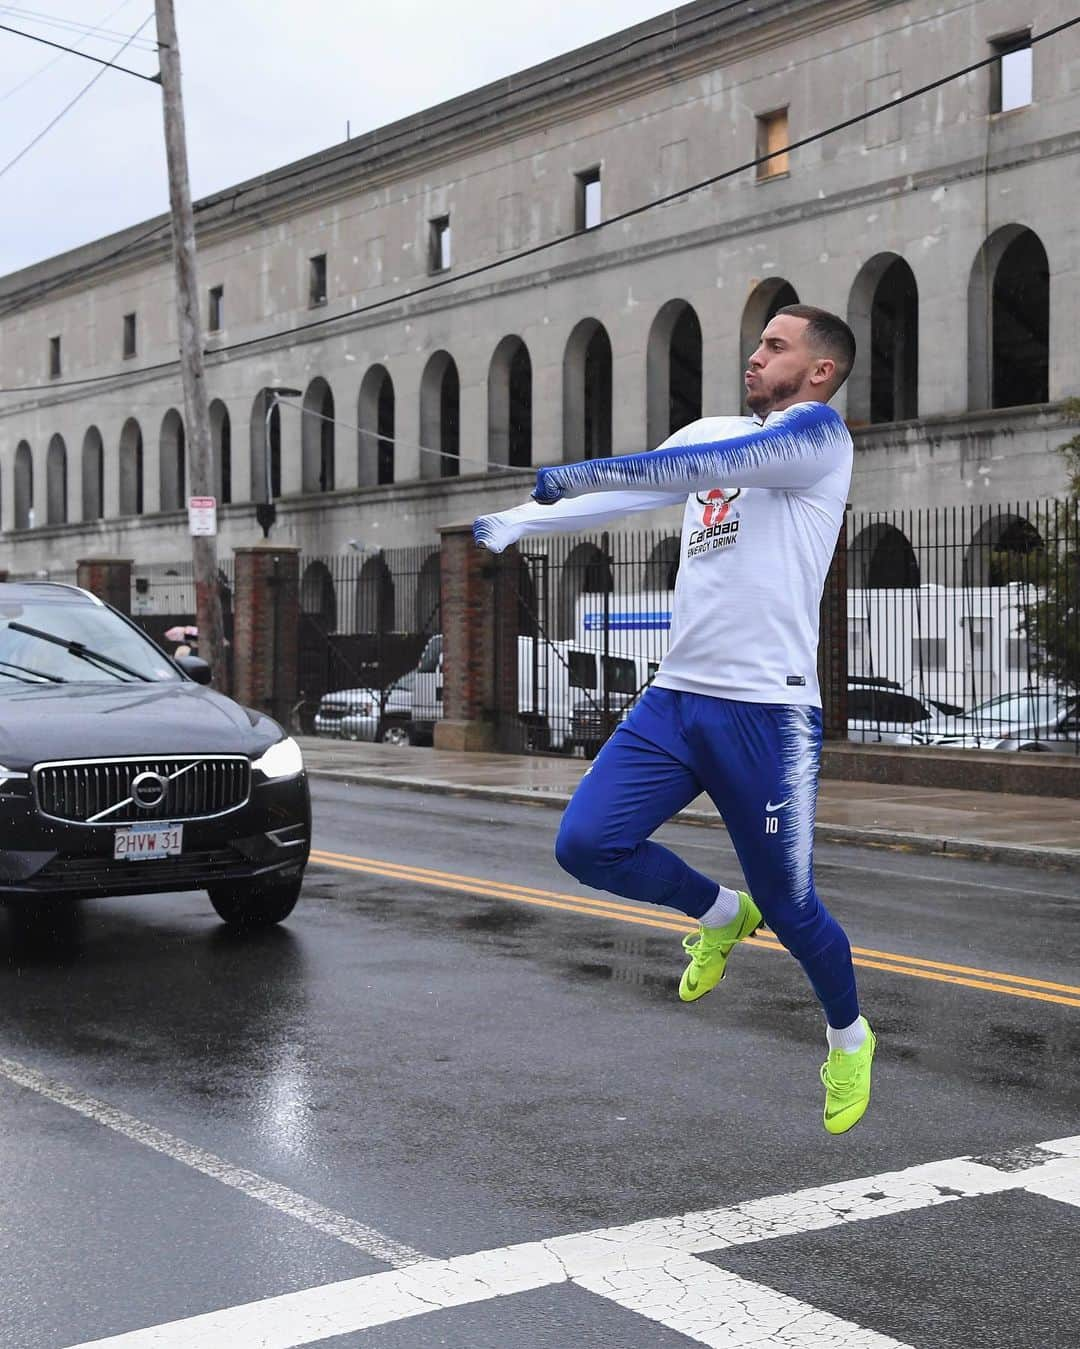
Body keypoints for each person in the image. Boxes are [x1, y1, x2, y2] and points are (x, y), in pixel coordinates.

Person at [473, 305, 875, 1134]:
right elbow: (632, 489)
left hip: (768, 712)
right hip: (676, 697)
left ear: (821, 371)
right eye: (757, 341)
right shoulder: (708, 430)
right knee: (586, 843)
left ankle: (848, 1035)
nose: (754, 355)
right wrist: (521, 521)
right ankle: (720, 915)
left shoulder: (818, 441)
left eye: (775, 345)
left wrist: (577, 471)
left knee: (792, 904)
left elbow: (716, 463)